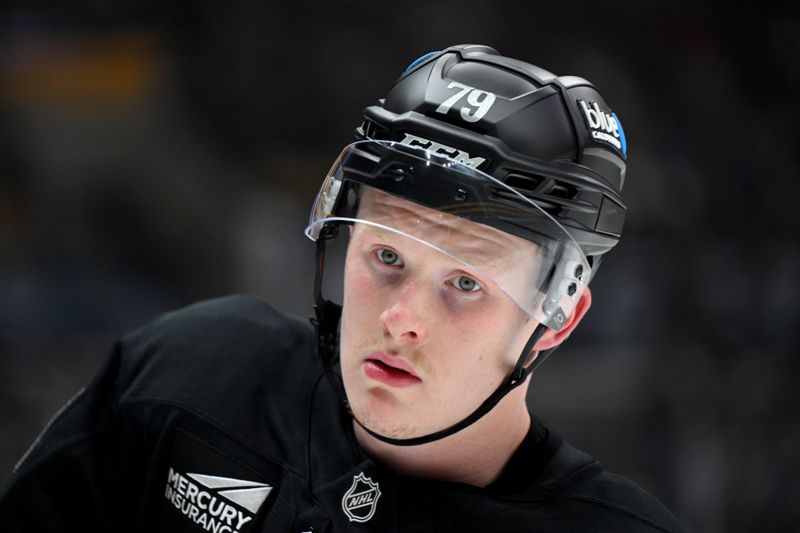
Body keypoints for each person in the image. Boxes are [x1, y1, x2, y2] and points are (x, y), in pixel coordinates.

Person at [0, 44, 686, 532]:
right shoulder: (189, 379)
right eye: (386, 253)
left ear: (557, 319)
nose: (401, 317)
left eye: (465, 282)